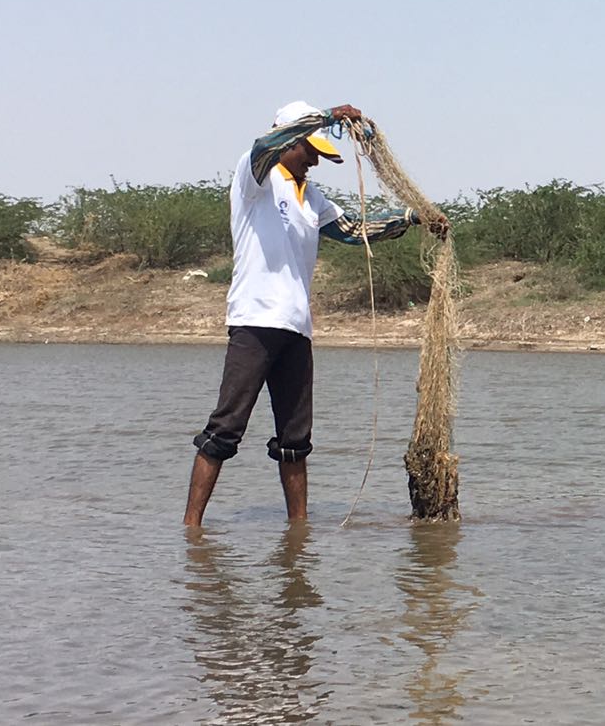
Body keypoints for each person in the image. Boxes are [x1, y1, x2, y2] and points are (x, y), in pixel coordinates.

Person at [184, 101, 448, 527]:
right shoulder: (256, 178)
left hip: (296, 330)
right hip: (255, 323)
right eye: (310, 150)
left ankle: (298, 531)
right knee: (225, 429)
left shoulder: (313, 197)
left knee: (295, 440)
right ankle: (191, 531)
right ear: (290, 140)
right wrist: (329, 115)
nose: (313, 160)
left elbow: (352, 231)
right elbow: (264, 145)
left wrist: (412, 218)